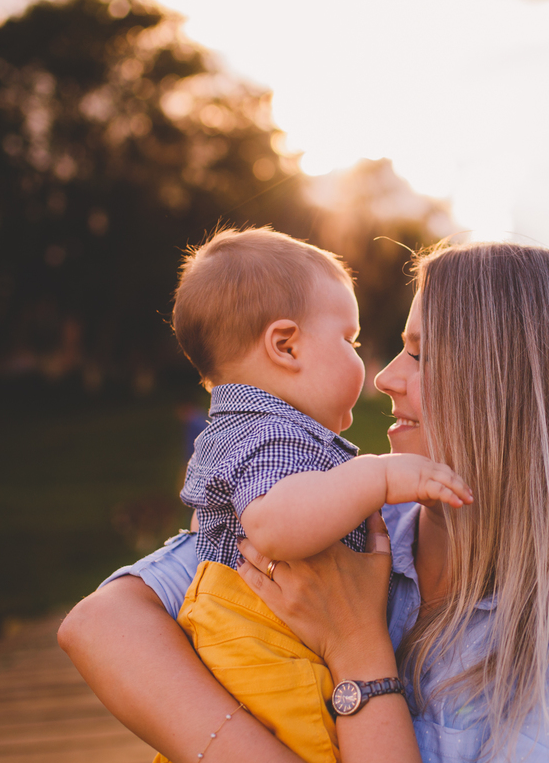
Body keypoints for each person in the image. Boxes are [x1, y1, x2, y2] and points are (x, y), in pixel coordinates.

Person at [60, 241, 549, 763]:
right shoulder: (346, 515)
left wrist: (356, 646)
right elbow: (102, 624)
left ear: (515, 386)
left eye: (421, 354)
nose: (386, 377)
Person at [154, 227, 472, 763]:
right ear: (286, 346)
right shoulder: (271, 435)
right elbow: (276, 528)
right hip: (263, 654)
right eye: (350, 342)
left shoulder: (242, 430)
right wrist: (379, 477)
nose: (374, 372)